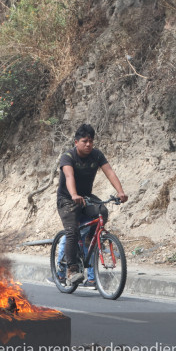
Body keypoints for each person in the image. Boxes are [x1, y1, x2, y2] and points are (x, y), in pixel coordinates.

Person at [57, 123, 128, 287]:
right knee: (72, 232)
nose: (88, 144)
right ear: (76, 142)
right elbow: (69, 177)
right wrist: (74, 194)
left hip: (86, 197)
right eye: (84, 141)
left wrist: (120, 192)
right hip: (67, 199)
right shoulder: (68, 157)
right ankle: (71, 270)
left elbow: (109, 171)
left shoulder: (96, 155)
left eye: (91, 141)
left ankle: (90, 239)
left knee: (102, 211)